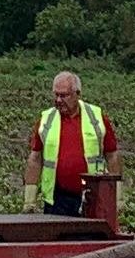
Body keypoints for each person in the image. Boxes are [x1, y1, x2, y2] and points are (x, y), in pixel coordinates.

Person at [26, 69, 118, 218]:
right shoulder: (46, 119)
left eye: (63, 95)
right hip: (57, 200)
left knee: (89, 239)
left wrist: (116, 195)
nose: (58, 100)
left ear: (77, 94)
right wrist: (29, 199)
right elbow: (35, 159)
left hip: (92, 196)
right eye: (56, 95)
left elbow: (112, 156)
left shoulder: (97, 117)